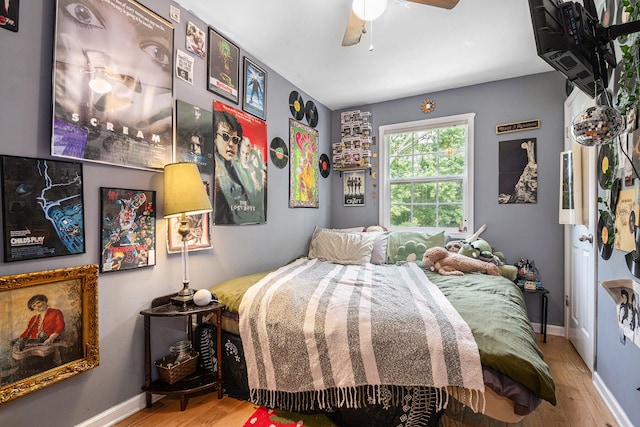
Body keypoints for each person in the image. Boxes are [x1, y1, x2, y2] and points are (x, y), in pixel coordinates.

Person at [213, 111, 263, 225]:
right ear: (215, 138)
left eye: (235, 139)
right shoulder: (217, 170)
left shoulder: (240, 171)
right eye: (225, 136)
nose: (231, 144)